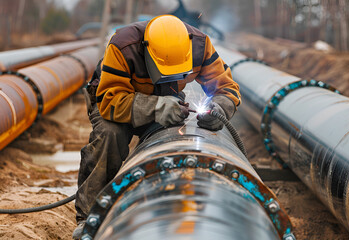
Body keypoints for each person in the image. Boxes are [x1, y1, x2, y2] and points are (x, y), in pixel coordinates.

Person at [72, 15, 241, 239]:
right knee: (110, 135)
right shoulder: (123, 46)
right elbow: (110, 101)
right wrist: (156, 107)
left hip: (165, 98)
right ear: (147, 52)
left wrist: (221, 107)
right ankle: (89, 217)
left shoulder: (200, 45)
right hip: (114, 101)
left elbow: (226, 87)